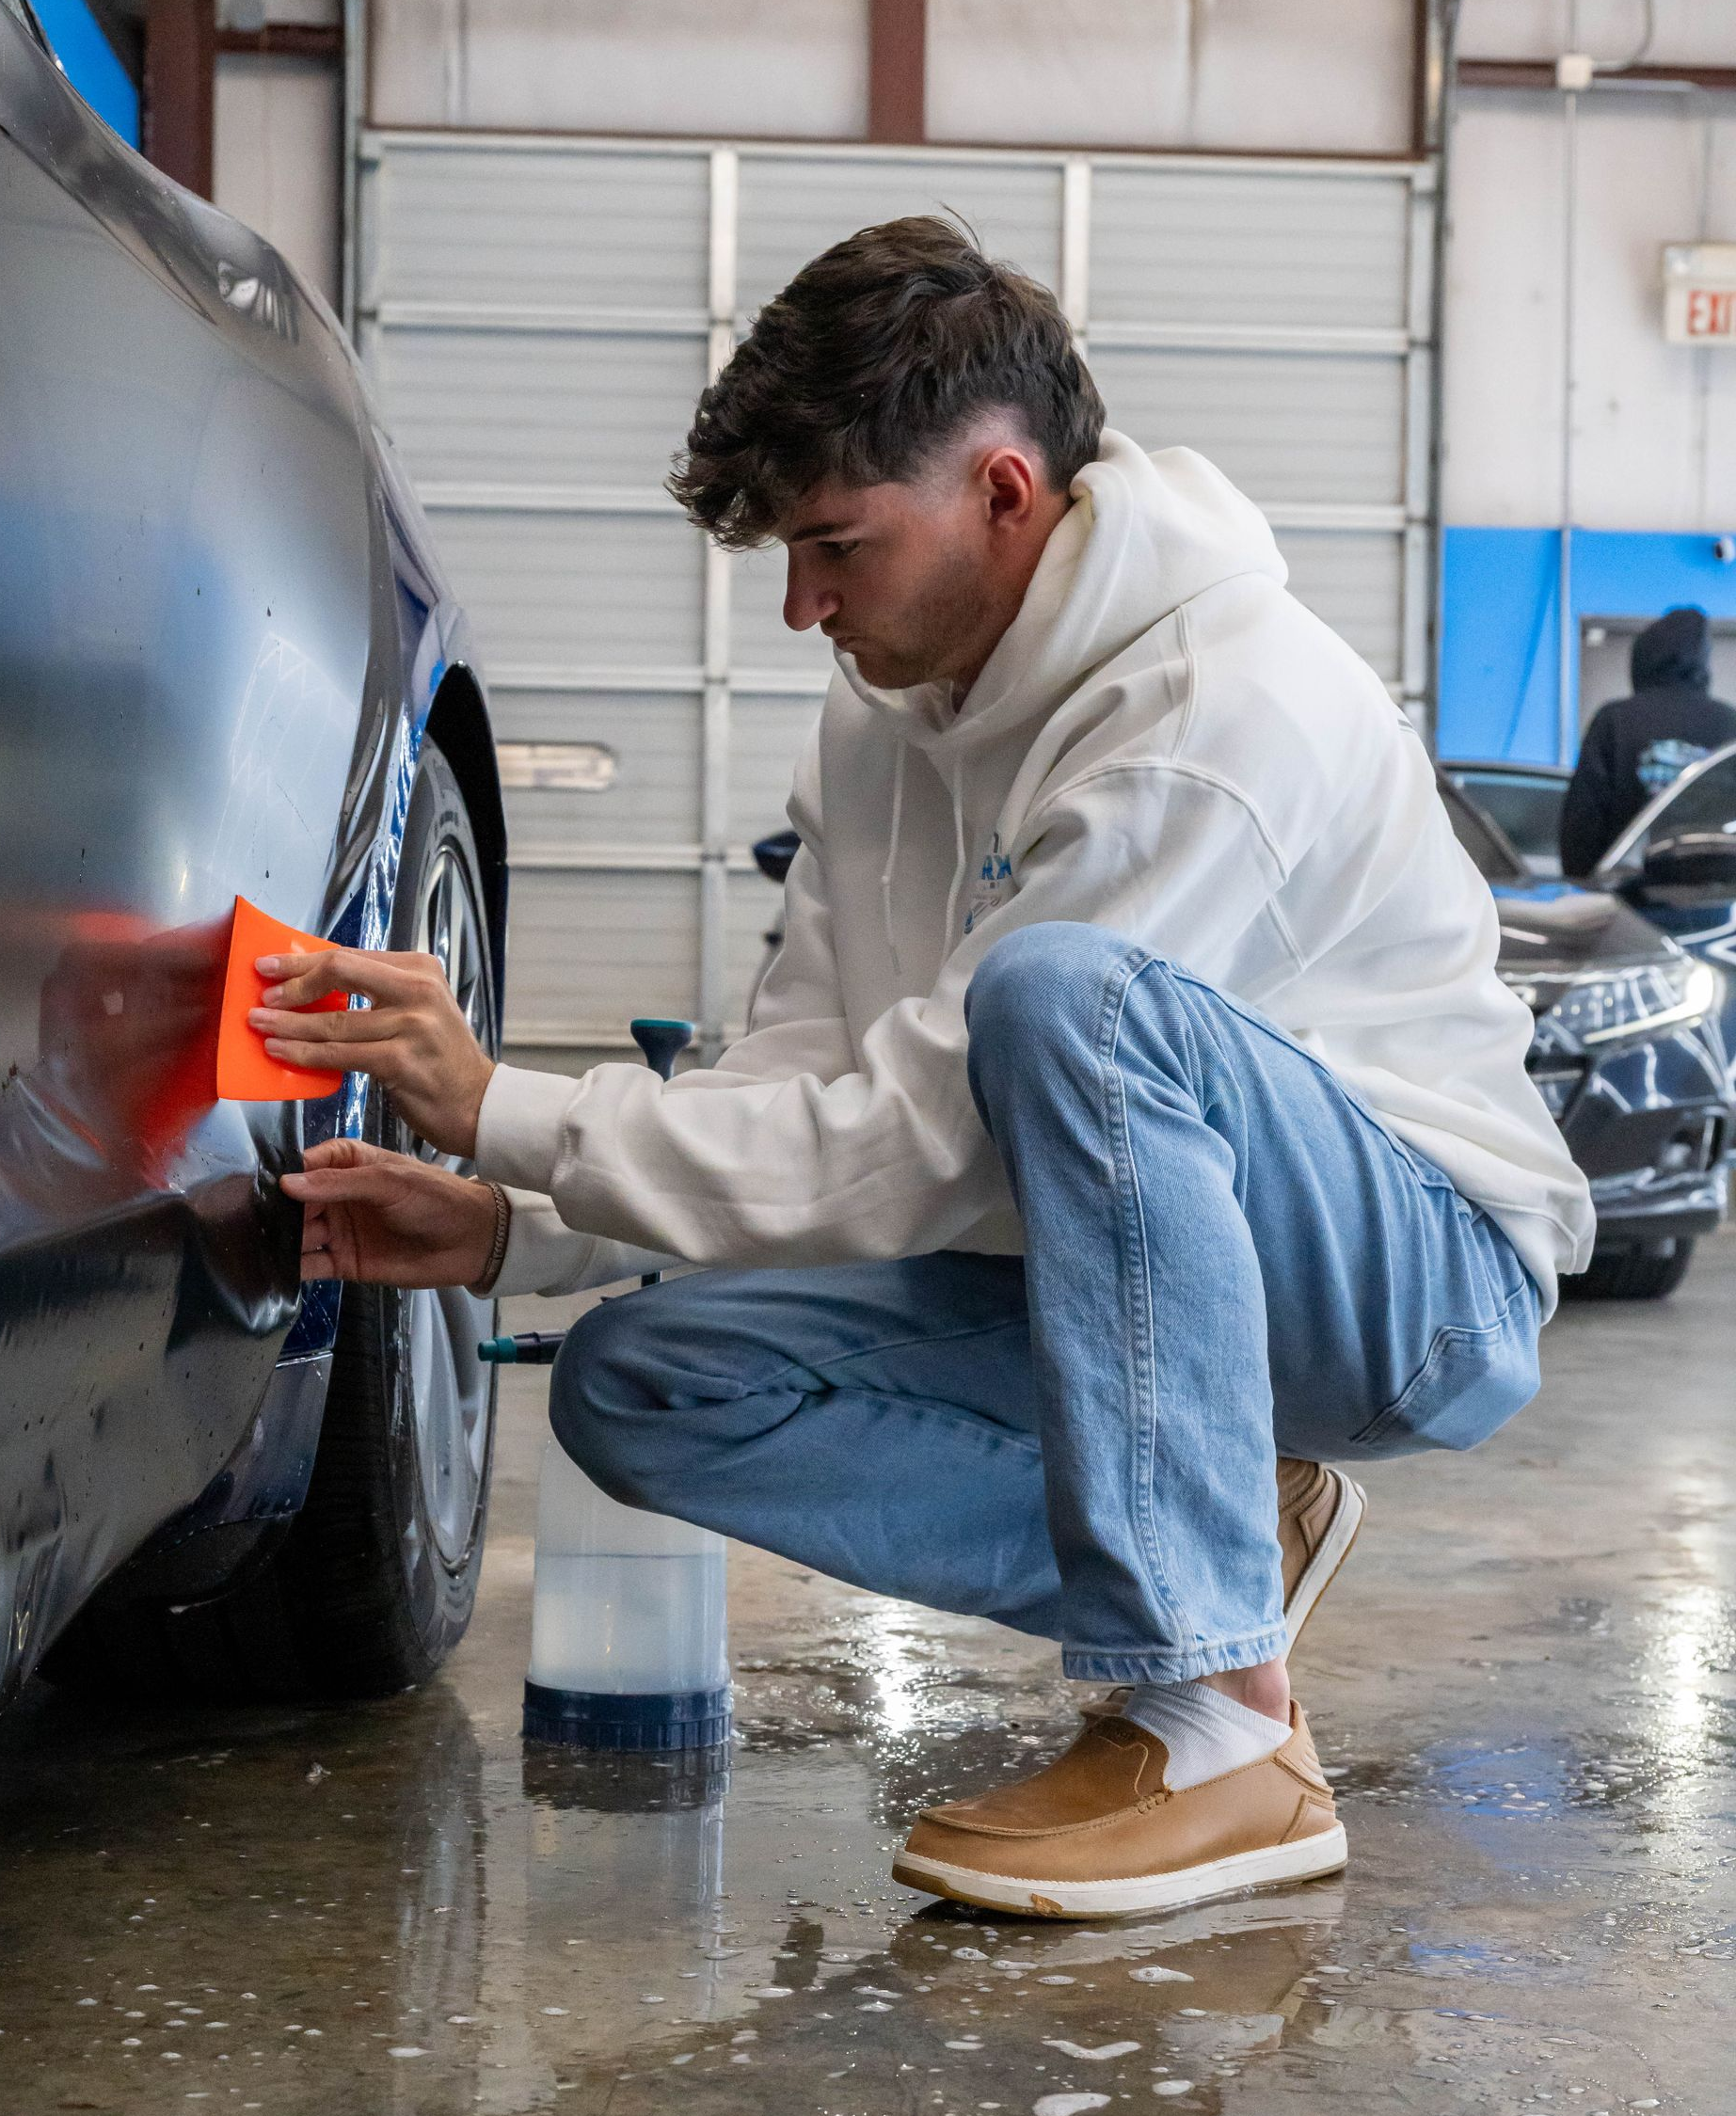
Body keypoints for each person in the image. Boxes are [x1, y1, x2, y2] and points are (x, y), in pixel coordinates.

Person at [250, 218, 1593, 1920]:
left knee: (1067, 1004)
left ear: (1006, 494)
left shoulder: (1217, 710)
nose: (804, 605)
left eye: (836, 547)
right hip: (1123, 1277)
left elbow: (922, 1142)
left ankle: (1222, 1728)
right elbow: (807, 1071)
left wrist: (503, 1099)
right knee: (642, 1384)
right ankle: (1232, 1534)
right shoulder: (887, 714)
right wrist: (516, 1220)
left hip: (1416, 1278)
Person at [1559, 606, 1736, 878]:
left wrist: (1584, 885)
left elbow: (1582, 826)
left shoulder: (1615, 721)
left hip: (1630, 896)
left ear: (1641, 659)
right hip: (1718, 896)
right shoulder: (1729, 723)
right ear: (1702, 661)